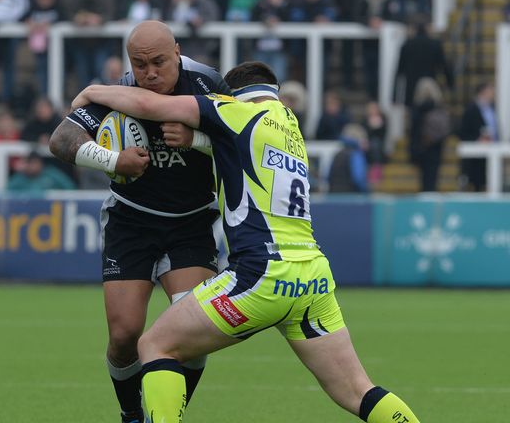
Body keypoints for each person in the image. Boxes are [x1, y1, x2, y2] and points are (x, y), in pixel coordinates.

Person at [71, 61, 420, 423]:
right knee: (358, 391)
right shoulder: (289, 124)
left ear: (231, 95)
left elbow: (150, 106)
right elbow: (236, 151)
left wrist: (95, 92)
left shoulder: (232, 111)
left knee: (154, 345)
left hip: (262, 273)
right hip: (313, 277)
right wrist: (195, 141)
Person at [49, 20, 231, 423]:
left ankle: (166, 415)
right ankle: (132, 414)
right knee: (124, 336)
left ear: (178, 52)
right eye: (140, 64)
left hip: (191, 223)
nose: (149, 74)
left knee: (192, 336)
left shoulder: (208, 84)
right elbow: (60, 141)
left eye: (159, 63)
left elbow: (244, 141)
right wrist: (114, 161)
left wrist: (197, 140)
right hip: (131, 222)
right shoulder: (121, 92)